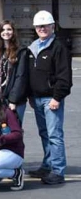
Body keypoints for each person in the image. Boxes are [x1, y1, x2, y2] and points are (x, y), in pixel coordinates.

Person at [26, 10, 71, 185]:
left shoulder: (58, 48)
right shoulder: (34, 46)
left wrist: (57, 97)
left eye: (45, 25)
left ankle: (58, 171)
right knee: (44, 134)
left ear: (53, 27)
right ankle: (48, 165)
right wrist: (31, 95)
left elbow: (64, 76)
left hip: (51, 99)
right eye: (39, 26)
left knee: (54, 135)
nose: (42, 28)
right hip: (37, 99)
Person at [0, 20, 28, 123]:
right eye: (3, 30)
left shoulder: (21, 52)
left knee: (14, 131)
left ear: (13, 32)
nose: (6, 32)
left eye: (9, 29)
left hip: (14, 101)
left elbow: (21, 77)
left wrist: (13, 100)